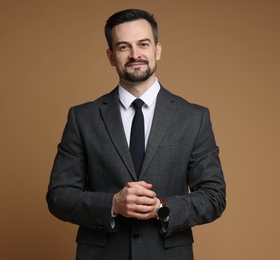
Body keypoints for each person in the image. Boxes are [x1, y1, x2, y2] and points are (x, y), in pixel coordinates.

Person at [46, 8, 226, 260]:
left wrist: (162, 208)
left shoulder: (194, 118)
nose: (135, 55)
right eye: (123, 47)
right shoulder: (82, 117)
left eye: (143, 44)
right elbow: (59, 196)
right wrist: (113, 204)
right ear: (110, 56)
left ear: (157, 49)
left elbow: (214, 196)